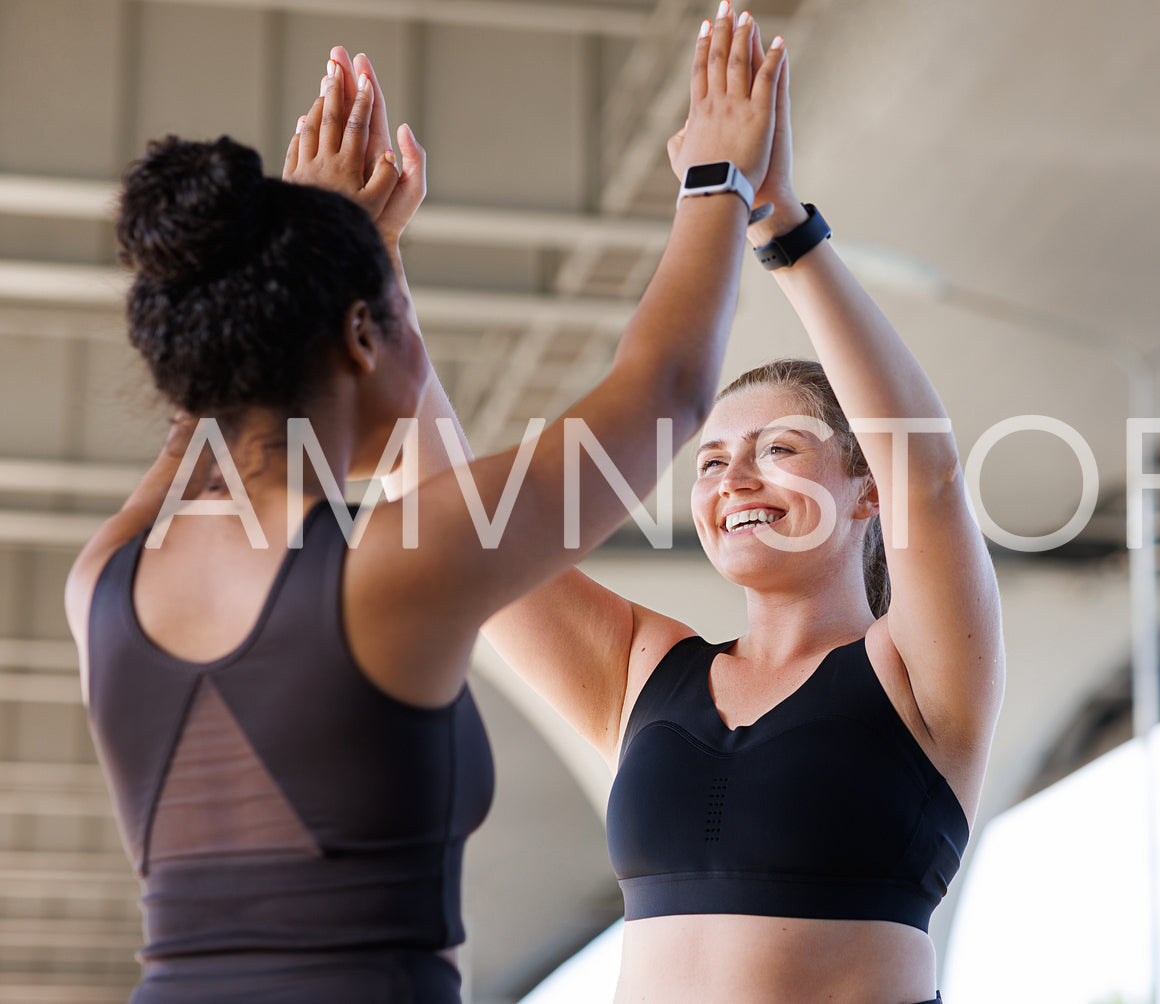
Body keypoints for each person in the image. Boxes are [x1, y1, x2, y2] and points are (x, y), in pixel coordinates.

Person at [63, 14, 785, 1002]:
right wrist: (719, 178)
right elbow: (664, 393)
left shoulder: (105, 576)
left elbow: (212, 405)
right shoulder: (391, 569)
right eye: (400, 313)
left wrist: (318, 258)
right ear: (362, 335)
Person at [390, 13, 1007, 1002]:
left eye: (778, 448)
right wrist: (371, 289)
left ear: (860, 488)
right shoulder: (644, 672)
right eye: (712, 460)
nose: (732, 481)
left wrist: (780, 225)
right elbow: (453, 528)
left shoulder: (918, 674)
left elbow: (924, 471)